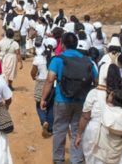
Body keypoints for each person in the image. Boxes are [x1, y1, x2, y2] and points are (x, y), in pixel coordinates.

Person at [40, 32, 98, 164]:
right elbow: (96, 80)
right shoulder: (87, 61)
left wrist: (43, 98)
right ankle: (76, 160)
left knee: (59, 129)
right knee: (77, 130)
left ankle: (58, 159)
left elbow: (49, 80)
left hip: (62, 100)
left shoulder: (58, 59)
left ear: (63, 44)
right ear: (76, 45)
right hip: (81, 101)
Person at [74, 63, 116, 164]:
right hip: (113, 130)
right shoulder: (121, 93)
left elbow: (85, 116)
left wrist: (79, 134)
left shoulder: (94, 93)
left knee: (92, 159)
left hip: (94, 130)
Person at [31, 40, 54, 138]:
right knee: (51, 106)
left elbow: (33, 72)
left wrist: (34, 77)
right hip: (52, 83)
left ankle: (43, 121)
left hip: (41, 82)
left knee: (39, 104)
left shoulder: (38, 58)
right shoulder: (55, 58)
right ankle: (50, 128)